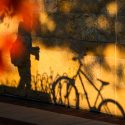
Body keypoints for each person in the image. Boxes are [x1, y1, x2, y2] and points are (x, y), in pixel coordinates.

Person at [10, 21, 40, 93]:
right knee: (25, 79)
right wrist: (34, 52)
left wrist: (34, 51)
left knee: (25, 79)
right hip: (22, 61)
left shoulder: (25, 38)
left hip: (24, 61)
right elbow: (25, 49)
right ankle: (22, 93)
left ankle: (22, 93)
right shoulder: (23, 38)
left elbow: (27, 49)